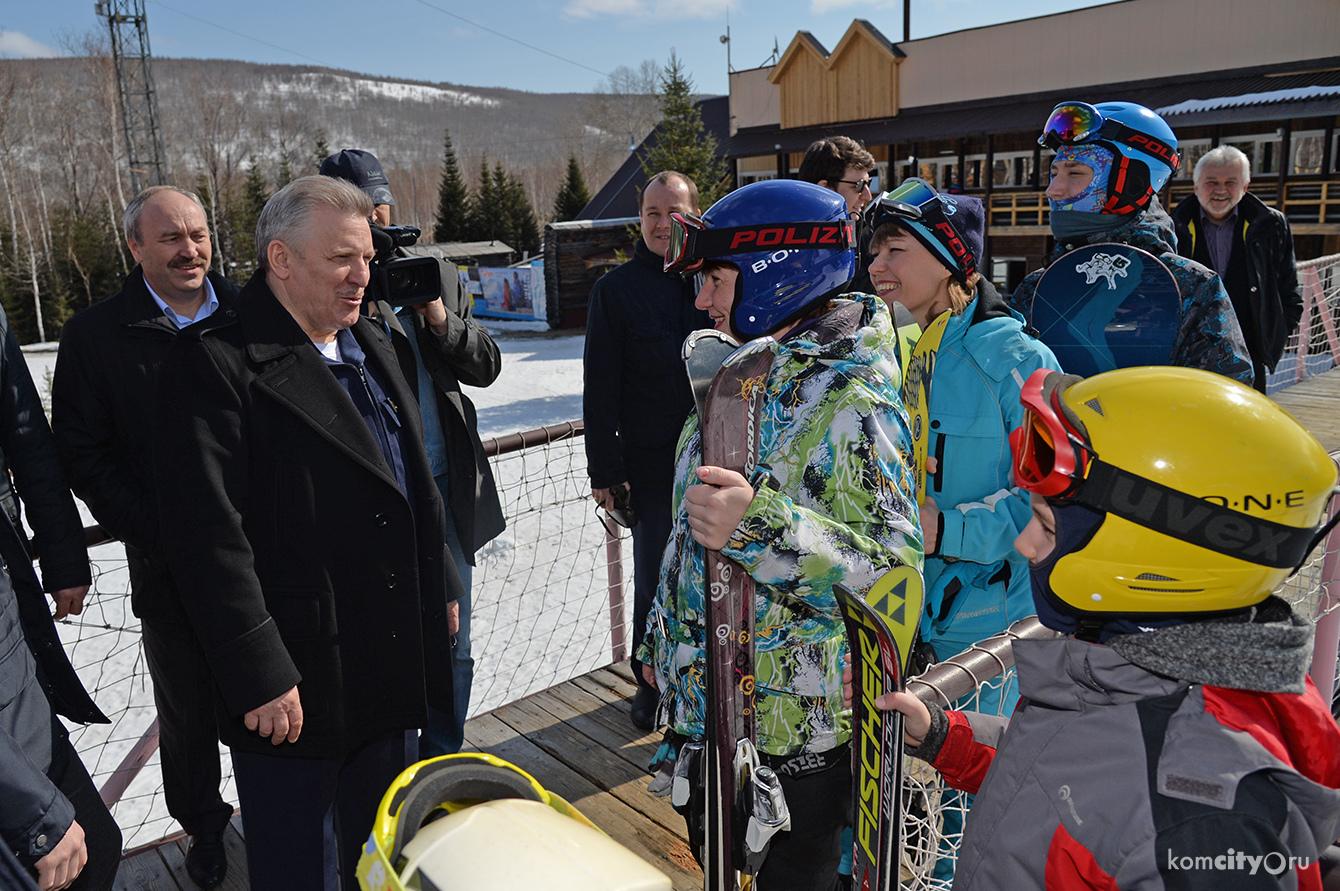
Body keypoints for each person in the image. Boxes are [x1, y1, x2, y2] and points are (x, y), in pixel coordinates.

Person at [849, 364, 1340, 889]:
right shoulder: (1136, 676)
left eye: (1046, 526)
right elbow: (1080, 781)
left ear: (1144, 560)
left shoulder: (1200, 816)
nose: (1025, 545)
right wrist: (944, 737)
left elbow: (1121, 796)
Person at [153, 175, 462, 890]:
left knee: (384, 857)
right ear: (282, 260)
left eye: (367, 257)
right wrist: (259, 670)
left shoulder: (369, 341)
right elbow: (206, 539)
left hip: (386, 660)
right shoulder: (213, 363)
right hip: (296, 685)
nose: (363, 276)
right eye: (342, 260)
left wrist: (438, 584)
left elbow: (410, 482)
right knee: (303, 869)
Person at [639, 178, 923, 891]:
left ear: (777, 266)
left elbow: (893, 575)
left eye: (715, 279)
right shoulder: (742, 377)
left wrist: (760, 526)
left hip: (799, 747)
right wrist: (658, 643)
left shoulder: (852, 399)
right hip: (713, 724)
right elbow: (688, 534)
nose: (703, 301)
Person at [51, 185, 237, 889]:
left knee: (283, 695)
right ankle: (207, 829)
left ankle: (287, 807)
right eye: (170, 239)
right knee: (187, 714)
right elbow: (83, 452)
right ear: (135, 247)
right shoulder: (96, 336)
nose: (190, 250)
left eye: (198, 234)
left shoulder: (252, 312)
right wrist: (161, 528)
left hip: (271, 554)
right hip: (170, 566)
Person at [318, 148, 505, 758]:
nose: (373, 223)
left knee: (455, 636)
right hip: (373, 496)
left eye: (379, 209)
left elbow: (486, 365)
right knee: (383, 639)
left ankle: (443, 756)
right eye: (355, 212)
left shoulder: (434, 271)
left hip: (445, 488)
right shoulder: (329, 282)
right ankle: (390, 764)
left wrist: (436, 315)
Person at [0, 303, 121, 891]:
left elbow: (27, 438)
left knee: (96, 844)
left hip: (11, 627)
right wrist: (36, 817)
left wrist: (64, 554)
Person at [583, 170, 709, 731]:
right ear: (640, 219)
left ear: (694, 217)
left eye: (673, 211)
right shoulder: (615, 292)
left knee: (717, 576)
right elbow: (599, 388)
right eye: (652, 213)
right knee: (658, 577)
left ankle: (708, 683)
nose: (662, 224)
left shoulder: (715, 281)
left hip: (719, 461)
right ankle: (650, 683)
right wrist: (606, 470)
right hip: (653, 467)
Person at [1010, 100, 1254, 385]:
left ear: (1132, 180)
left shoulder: (1192, 287)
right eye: (1054, 173)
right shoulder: (1036, 287)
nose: (1053, 190)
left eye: (1075, 173)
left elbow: (1224, 399)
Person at [1172, 144, 1303, 393]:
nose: (1221, 190)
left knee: (1246, 425)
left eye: (1230, 182)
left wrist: (1274, 334)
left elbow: (1289, 290)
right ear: (1196, 186)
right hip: (1189, 351)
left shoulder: (1271, 225)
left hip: (1250, 350)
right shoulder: (1174, 227)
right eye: (1211, 182)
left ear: (1245, 187)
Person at [799, 135, 879, 293]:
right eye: (859, 186)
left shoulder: (869, 235)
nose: (867, 195)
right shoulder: (789, 243)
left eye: (868, 183)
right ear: (825, 189)